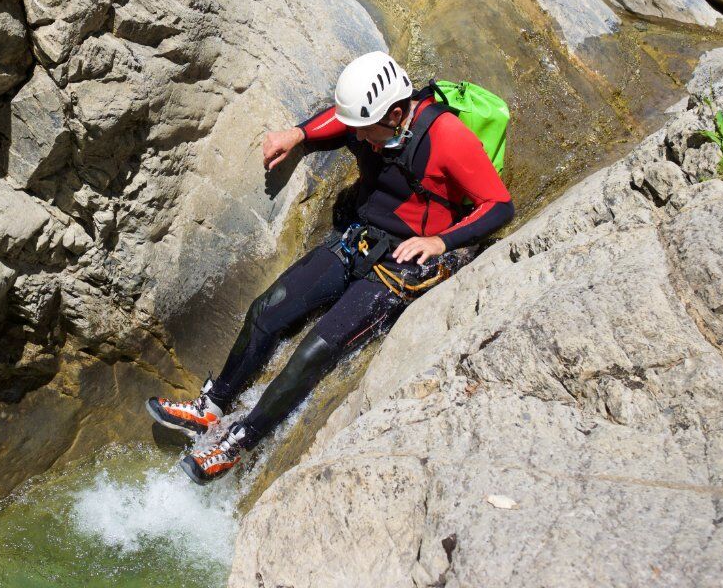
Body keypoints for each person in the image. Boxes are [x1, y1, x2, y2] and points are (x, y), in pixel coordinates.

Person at [146, 51, 515, 484]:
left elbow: (500, 205)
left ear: (396, 114)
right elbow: (340, 123)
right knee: (267, 310)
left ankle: (240, 440)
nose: (361, 140)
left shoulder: (446, 136)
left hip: (403, 264)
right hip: (359, 237)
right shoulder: (370, 124)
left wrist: (440, 241)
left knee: (314, 351)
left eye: (367, 131)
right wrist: (297, 134)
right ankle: (212, 406)